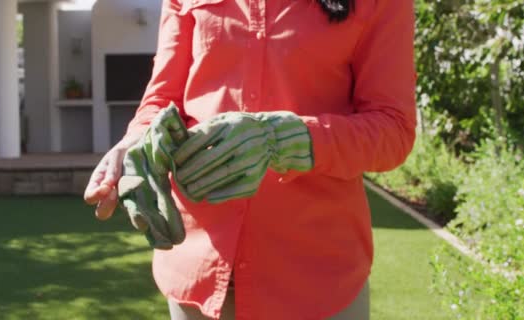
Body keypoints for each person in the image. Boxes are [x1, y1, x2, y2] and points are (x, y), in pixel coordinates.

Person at [84, 0, 417, 318]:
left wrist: (282, 137)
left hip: (316, 273)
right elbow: (162, 97)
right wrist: (133, 143)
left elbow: (393, 128)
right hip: (196, 261)